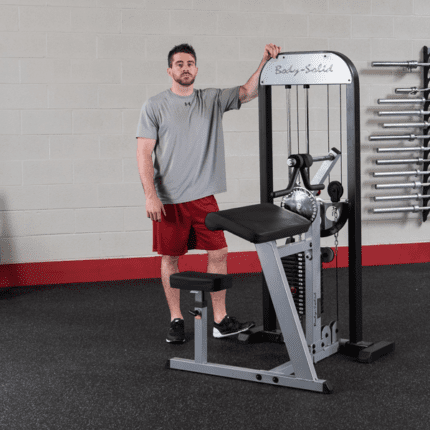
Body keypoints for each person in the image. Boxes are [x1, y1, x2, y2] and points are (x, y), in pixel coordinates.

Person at [136, 43, 282, 343]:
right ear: (170, 70)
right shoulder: (154, 105)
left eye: (190, 63)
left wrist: (264, 61)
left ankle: (219, 319)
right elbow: (143, 154)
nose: (185, 68)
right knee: (170, 258)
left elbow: (248, 91)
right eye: (179, 64)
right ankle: (176, 318)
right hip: (169, 199)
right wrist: (150, 195)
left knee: (219, 252)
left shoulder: (211, 99)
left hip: (204, 197)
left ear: (196, 69)